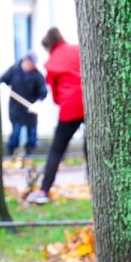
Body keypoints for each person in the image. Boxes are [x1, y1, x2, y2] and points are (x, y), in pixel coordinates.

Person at [26, 28, 85, 204]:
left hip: (70, 109)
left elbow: (57, 96)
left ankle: (44, 190)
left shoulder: (51, 63)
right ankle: (95, 186)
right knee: (91, 147)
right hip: (89, 103)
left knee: (57, 150)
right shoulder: (78, 49)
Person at [0, 51, 48, 159]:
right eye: (32, 63)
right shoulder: (14, 70)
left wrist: (37, 103)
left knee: (32, 135)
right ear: (26, 61)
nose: (33, 66)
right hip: (16, 109)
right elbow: (2, 80)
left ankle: (29, 156)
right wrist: (2, 86)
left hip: (31, 109)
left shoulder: (37, 75)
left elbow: (43, 91)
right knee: (15, 134)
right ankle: (10, 155)